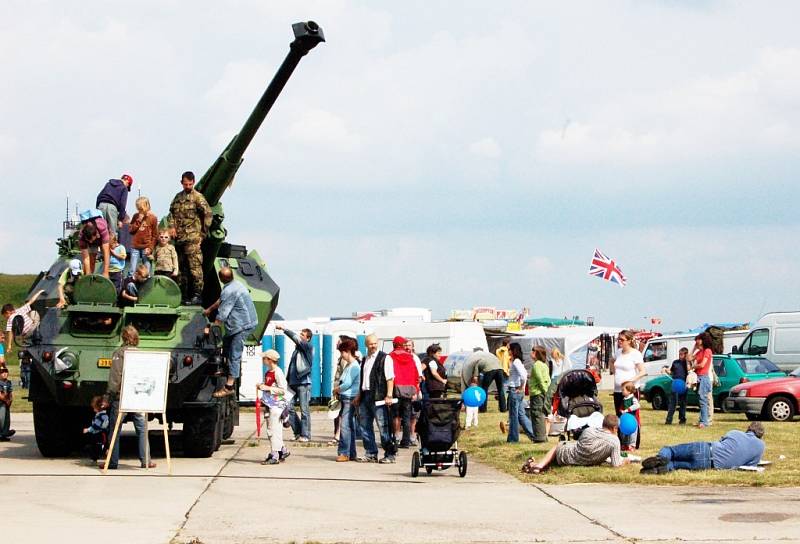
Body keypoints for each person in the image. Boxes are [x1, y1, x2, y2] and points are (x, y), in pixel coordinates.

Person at [102, 325, 156, 469]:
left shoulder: (119, 353)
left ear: (123, 337)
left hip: (121, 397)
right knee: (142, 429)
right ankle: (146, 460)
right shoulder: (141, 354)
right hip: (138, 397)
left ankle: (112, 462)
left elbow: (115, 379)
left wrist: (108, 397)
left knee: (115, 430)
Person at [203, 267, 258, 398]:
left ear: (221, 278)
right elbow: (221, 300)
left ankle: (229, 386)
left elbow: (223, 313)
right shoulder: (235, 285)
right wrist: (209, 310)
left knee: (235, 353)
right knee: (226, 344)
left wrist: (212, 328)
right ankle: (225, 368)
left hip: (242, 326)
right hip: (238, 325)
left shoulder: (229, 290)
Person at [641, 422, 766, 474]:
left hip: (706, 449)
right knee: (675, 465)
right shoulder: (760, 447)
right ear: (760, 436)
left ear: (749, 429)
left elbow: (721, 441)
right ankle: (660, 469)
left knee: (671, 450)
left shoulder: (736, 432)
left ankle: (660, 458)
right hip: (708, 465)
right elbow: (750, 467)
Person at [522, 414, 627, 474]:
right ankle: (535, 465)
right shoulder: (614, 441)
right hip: (588, 462)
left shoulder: (589, 431)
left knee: (559, 446)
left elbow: (579, 446)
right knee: (559, 451)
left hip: (568, 457)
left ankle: (537, 466)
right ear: (614, 428)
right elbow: (616, 465)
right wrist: (625, 462)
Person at [167, 171, 212, 305]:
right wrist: (171, 227)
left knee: (195, 269)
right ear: (181, 182)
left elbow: (208, 214)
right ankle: (183, 296)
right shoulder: (177, 197)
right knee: (181, 270)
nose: (187, 186)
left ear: (193, 182)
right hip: (179, 240)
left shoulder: (198, 197)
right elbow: (171, 214)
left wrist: (202, 234)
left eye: (190, 184)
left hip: (193, 239)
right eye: (185, 184)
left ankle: (197, 295)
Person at [355, 334, 396, 463]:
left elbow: (390, 378)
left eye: (374, 343)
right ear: (366, 345)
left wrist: (389, 395)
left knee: (383, 426)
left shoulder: (385, 358)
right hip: (365, 396)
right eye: (370, 344)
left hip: (379, 397)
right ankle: (371, 453)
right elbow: (363, 379)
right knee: (365, 426)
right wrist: (358, 395)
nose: (373, 346)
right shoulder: (365, 359)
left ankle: (390, 454)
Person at [276, 325, 313, 442]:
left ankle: (306, 435)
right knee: (288, 407)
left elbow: (295, 338)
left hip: (303, 383)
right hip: (292, 384)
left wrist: (284, 329)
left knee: (304, 410)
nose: (300, 336)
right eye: (300, 333)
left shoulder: (307, 347)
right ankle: (298, 432)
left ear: (308, 339)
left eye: (302, 335)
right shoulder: (296, 351)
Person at [610, 329, 646, 448]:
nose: (619, 342)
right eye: (618, 339)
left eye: (622, 339)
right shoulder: (618, 352)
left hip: (630, 390)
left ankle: (633, 443)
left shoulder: (635, 354)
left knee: (631, 416)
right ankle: (622, 442)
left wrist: (631, 381)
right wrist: (614, 373)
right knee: (620, 416)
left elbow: (642, 371)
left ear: (629, 341)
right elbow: (612, 361)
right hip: (618, 390)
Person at [258, 349, 291, 465]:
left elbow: (283, 390)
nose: (263, 360)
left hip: (276, 406)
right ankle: (282, 450)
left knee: (272, 430)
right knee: (273, 430)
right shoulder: (268, 372)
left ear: (270, 360)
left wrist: (267, 388)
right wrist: (262, 386)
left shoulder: (278, 372)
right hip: (269, 404)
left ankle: (275, 454)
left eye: (264, 358)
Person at [334, 337, 361, 462]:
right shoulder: (351, 365)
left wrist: (337, 389)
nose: (342, 355)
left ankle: (344, 452)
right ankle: (351, 452)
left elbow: (347, 383)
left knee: (344, 426)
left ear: (348, 351)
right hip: (346, 397)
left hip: (349, 398)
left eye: (342, 352)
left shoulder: (354, 366)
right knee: (350, 426)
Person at [390, 336, 419, 448]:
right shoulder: (411, 357)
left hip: (395, 389)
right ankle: (406, 441)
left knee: (396, 415)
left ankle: (396, 437)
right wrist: (416, 389)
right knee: (407, 416)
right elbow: (416, 374)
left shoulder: (391, 356)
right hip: (408, 390)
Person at [505, 342, 536, 443]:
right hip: (517, 391)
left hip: (515, 391)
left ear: (513, 350)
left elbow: (523, 375)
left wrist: (521, 386)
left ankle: (513, 439)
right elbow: (524, 374)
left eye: (509, 349)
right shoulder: (517, 361)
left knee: (513, 416)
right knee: (521, 415)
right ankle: (534, 435)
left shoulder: (516, 362)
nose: (508, 351)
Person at [3, 289, 46, 353]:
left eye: (5, 315)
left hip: (27, 334)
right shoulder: (20, 310)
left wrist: (9, 345)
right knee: (33, 312)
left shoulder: (10, 319)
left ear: (7, 312)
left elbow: (10, 332)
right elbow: (31, 301)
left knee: (25, 344)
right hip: (34, 327)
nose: (5, 318)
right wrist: (39, 292)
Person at [128, 196, 158, 276]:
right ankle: (130, 285)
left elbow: (155, 235)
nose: (139, 211)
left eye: (141, 209)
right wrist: (138, 220)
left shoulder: (153, 218)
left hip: (146, 247)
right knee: (132, 269)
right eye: (138, 209)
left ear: (147, 206)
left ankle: (147, 286)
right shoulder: (135, 216)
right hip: (135, 246)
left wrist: (151, 248)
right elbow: (131, 231)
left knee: (147, 269)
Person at [471, 349, 507, 413]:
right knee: (500, 389)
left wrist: (476, 387)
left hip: (489, 370)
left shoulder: (477, 361)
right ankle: (503, 409)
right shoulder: (491, 355)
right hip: (500, 369)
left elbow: (475, 378)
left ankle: (483, 409)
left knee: (484, 389)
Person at [690, 332, 714, 428]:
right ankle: (702, 420)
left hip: (704, 377)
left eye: (698, 339)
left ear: (703, 340)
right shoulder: (699, 352)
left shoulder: (707, 351)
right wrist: (694, 348)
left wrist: (693, 366)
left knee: (703, 400)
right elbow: (689, 357)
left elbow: (702, 365)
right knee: (701, 400)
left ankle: (704, 422)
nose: (697, 341)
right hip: (698, 377)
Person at [528, 346, 551, 443]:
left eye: (533, 352)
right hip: (543, 392)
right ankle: (542, 436)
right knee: (540, 414)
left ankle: (539, 438)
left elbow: (540, 379)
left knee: (536, 415)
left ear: (537, 354)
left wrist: (544, 390)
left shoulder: (536, 365)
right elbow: (548, 379)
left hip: (537, 393)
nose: (531, 353)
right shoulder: (544, 365)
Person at [665, 347, 689, 425]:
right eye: (679, 354)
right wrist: (665, 370)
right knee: (672, 403)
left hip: (683, 385)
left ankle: (682, 419)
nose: (680, 356)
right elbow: (671, 372)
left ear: (685, 355)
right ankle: (669, 420)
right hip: (675, 385)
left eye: (681, 354)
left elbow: (690, 371)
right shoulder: (675, 362)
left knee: (682, 403)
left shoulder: (687, 363)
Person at [83, 395, 110, 462]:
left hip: (99, 434)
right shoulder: (103, 415)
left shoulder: (100, 416)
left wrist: (88, 429)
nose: (93, 409)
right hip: (100, 434)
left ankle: (107, 453)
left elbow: (96, 426)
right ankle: (95, 458)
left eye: (94, 408)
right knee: (96, 446)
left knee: (99, 446)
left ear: (99, 407)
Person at [619, 381, 641, 452]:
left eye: (623, 390)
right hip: (625, 420)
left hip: (633, 420)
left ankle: (632, 445)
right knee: (624, 433)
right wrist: (621, 410)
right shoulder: (624, 399)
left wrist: (627, 410)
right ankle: (625, 444)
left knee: (632, 433)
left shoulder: (633, 399)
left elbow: (637, 405)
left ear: (629, 391)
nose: (622, 391)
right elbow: (621, 407)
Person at [0, 366, 15, 441]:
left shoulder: (8, 382)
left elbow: (10, 393)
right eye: (2, 372)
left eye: (6, 372)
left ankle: (4, 434)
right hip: (1, 403)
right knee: (1, 418)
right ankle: (1, 433)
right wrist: (6, 401)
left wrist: (10, 401)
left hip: (6, 404)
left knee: (7, 419)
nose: (4, 373)